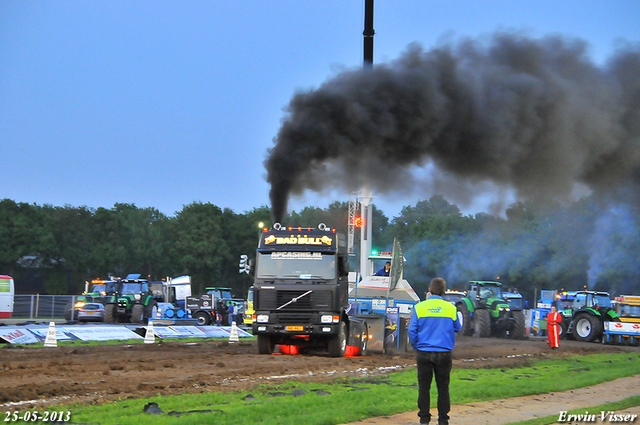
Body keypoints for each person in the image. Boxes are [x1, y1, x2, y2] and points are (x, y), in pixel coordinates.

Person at [409, 277, 461, 425]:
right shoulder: (451, 308)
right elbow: (458, 327)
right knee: (443, 387)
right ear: (444, 291)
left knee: (424, 387)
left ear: (429, 290)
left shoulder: (420, 307)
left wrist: (416, 346)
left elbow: (412, 330)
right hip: (444, 353)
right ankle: (443, 420)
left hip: (424, 352)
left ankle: (424, 419)